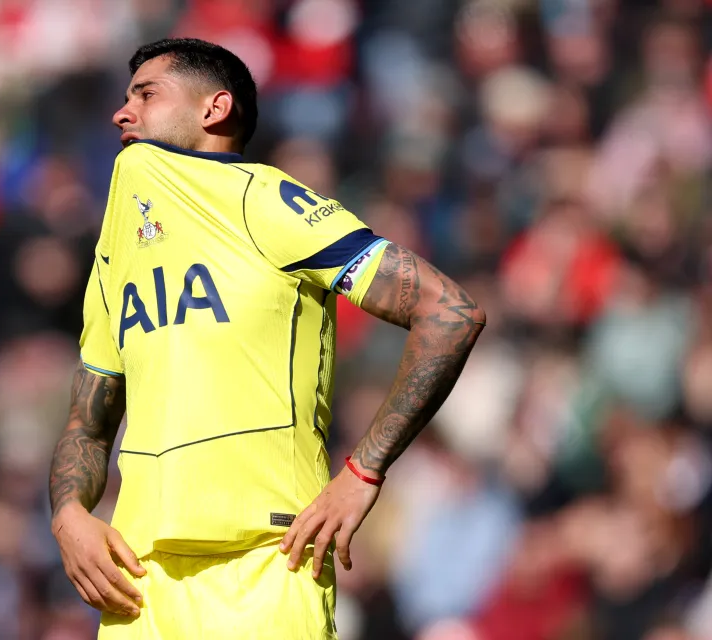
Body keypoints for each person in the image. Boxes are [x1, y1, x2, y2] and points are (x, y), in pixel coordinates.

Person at [49, 38, 486, 639]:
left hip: (268, 565)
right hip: (138, 585)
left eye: (147, 95)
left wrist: (361, 473)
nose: (122, 113)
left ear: (214, 108)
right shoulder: (114, 252)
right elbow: (88, 419)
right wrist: (68, 513)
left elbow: (450, 311)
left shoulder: (263, 199)